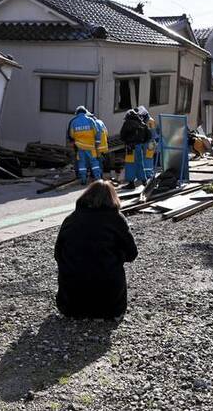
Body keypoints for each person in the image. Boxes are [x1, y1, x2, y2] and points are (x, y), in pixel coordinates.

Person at [54, 180, 138, 320]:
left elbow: (58, 254)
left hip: (71, 303)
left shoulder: (71, 219)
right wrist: (115, 256)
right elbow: (132, 254)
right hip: (109, 305)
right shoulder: (116, 219)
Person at [67, 106, 102, 185]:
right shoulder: (90, 120)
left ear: (77, 113)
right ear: (85, 112)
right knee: (94, 162)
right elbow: (97, 131)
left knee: (82, 163)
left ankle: (83, 180)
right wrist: (97, 142)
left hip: (80, 147)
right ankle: (97, 178)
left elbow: (71, 135)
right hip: (91, 147)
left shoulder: (74, 122)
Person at [121, 109, 148, 189]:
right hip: (139, 146)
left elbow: (122, 135)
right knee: (140, 163)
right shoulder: (142, 123)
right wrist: (142, 142)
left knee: (130, 165)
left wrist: (126, 141)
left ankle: (131, 183)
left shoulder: (127, 123)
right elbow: (148, 135)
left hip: (130, 147)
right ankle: (144, 180)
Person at [137, 106, 158, 180]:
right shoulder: (145, 121)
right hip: (147, 142)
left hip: (150, 142)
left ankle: (148, 174)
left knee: (148, 158)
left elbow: (152, 133)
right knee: (145, 158)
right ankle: (146, 173)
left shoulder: (150, 121)